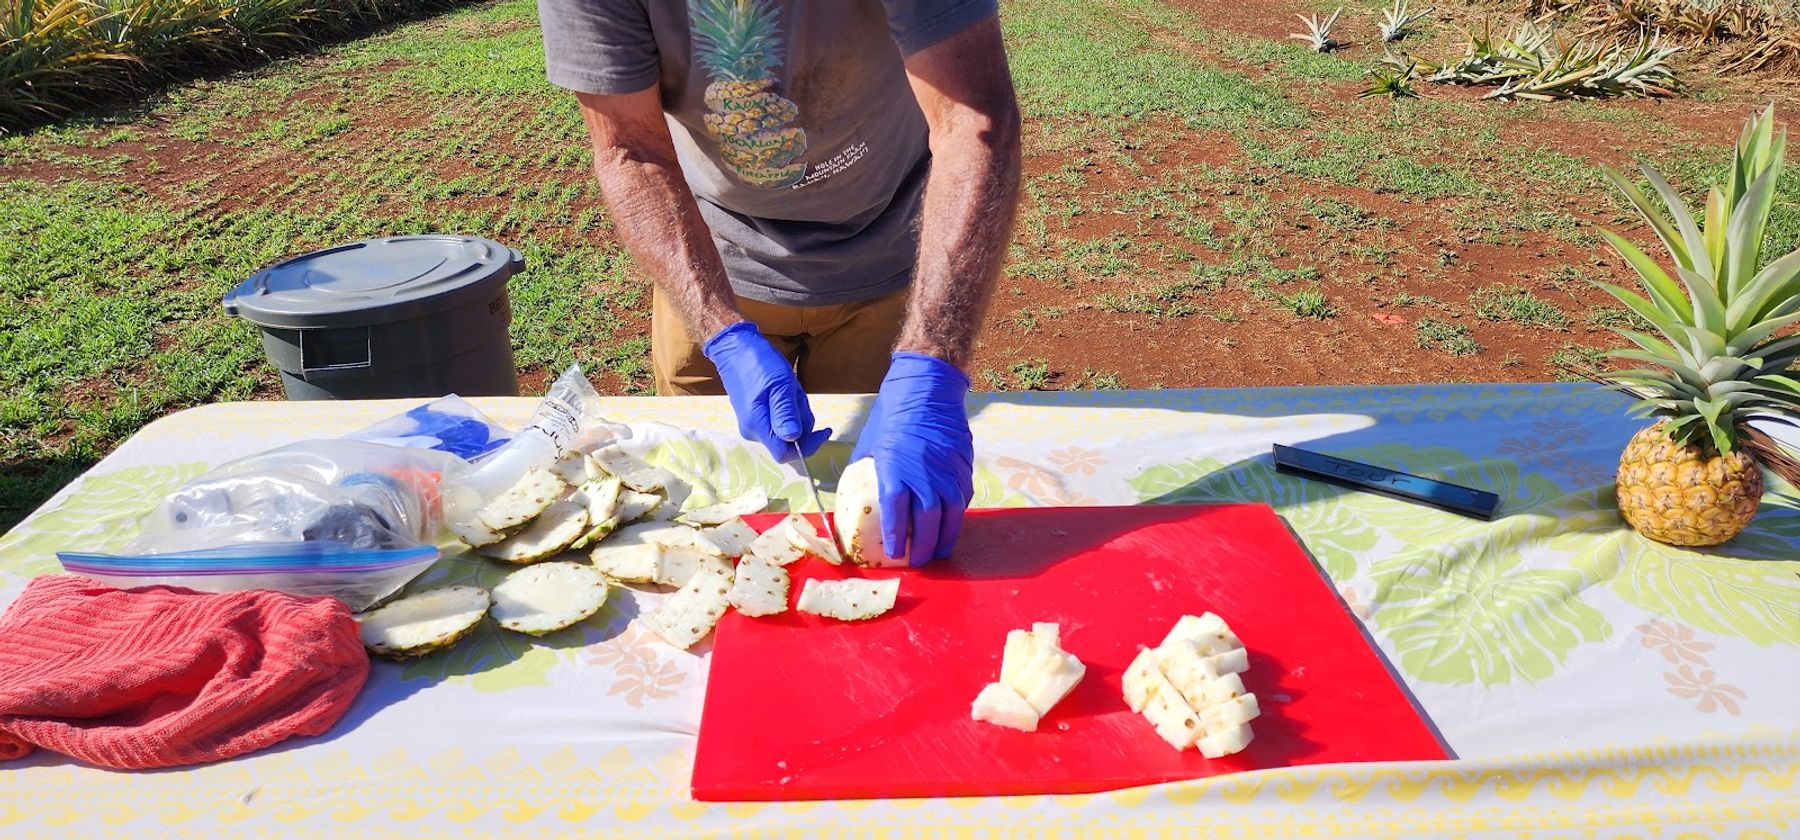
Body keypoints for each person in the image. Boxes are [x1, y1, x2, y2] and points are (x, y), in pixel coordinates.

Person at [536, 0, 1022, 566]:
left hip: (888, 249)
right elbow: (630, 149)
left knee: (874, 507)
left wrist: (930, 366)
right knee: (698, 508)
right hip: (709, 261)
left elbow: (971, 118)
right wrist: (723, 335)